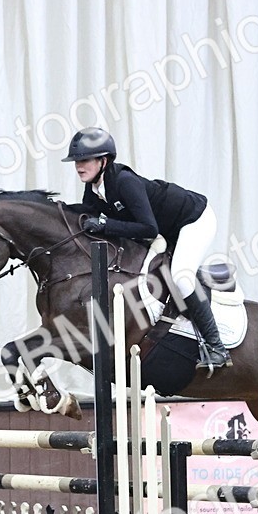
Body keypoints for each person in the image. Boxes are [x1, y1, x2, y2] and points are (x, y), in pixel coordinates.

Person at [62, 127, 232, 371]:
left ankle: (217, 348)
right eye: (76, 161)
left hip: (194, 220)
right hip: (167, 227)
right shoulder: (95, 187)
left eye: (85, 160)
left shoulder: (124, 182)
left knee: (180, 277)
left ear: (103, 161)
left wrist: (106, 224)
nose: (79, 166)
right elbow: (87, 213)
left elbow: (149, 229)